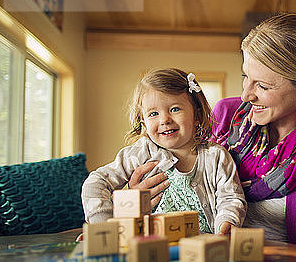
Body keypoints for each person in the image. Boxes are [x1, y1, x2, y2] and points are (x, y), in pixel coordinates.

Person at [130, 14, 296, 251]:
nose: (246, 96)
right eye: (246, 78)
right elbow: (179, 174)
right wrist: (134, 199)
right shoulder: (225, 116)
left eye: (262, 86)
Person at [81, 68, 246, 235]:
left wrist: (227, 222)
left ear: (196, 115)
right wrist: (103, 228)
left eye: (175, 109)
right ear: (144, 124)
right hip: (148, 247)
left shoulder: (216, 156)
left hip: (199, 249)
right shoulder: (141, 153)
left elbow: (231, 198)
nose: (164, 120)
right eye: (153, 113)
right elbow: (95, 182)